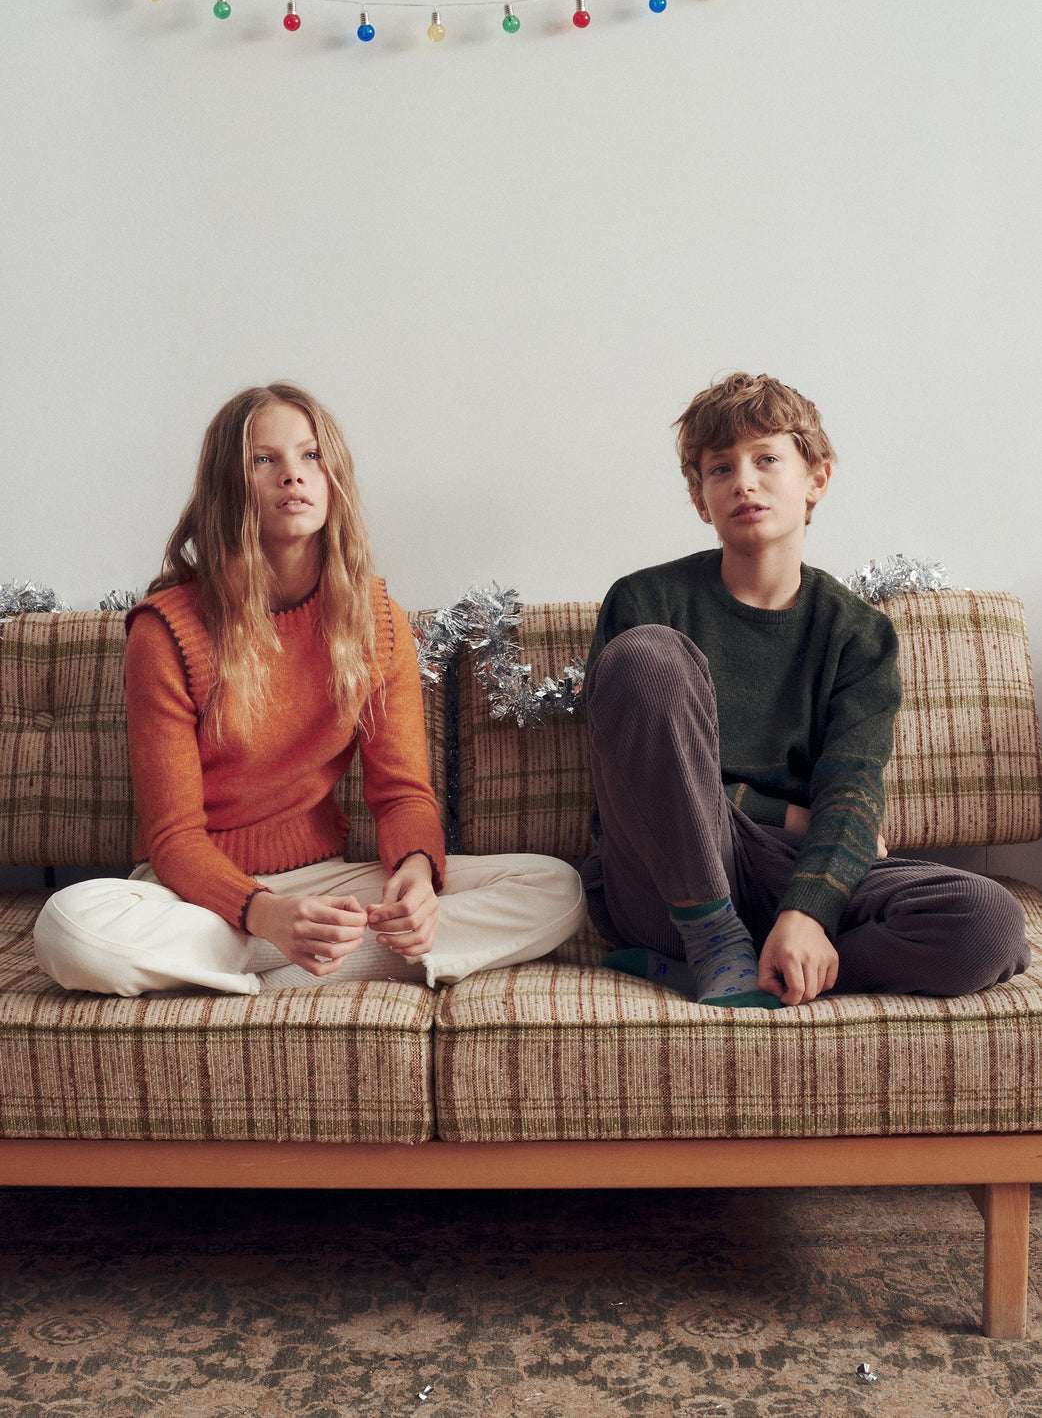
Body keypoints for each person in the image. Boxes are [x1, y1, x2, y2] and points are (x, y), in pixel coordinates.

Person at [34, 382, 585, 996]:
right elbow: (173, 838)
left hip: (325, 885)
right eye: (263, 459)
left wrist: (415, 872)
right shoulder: (167, 631)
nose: (292, 475)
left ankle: (272, 963)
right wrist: (266, 915)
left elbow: (402, 793)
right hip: (196, 894)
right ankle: (302, 962)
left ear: (332, 477)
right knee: (70, 928)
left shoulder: (374, 619)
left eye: (310, 455)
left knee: (554, 888)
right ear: (227, 485)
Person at [581, 372, 1029, 1009]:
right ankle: (713, 941)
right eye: (720, 468)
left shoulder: (859, 635)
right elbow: (633, 782)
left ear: (816, 478)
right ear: (700, 498)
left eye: (766, 459)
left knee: (988, 923)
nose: (744, 481)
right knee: (646, 656)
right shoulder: (644, 601)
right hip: (664, 879)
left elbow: (851, 791)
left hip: (788, 866)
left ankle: (749, 965)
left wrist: (808, 912)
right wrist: (791, 812)